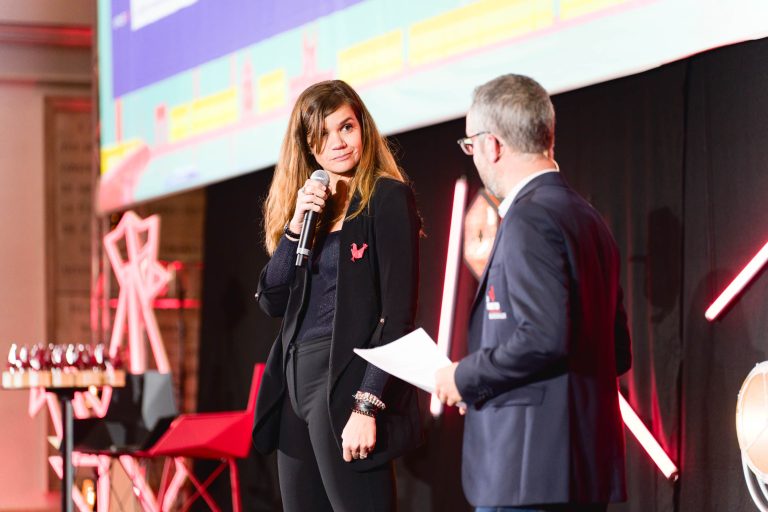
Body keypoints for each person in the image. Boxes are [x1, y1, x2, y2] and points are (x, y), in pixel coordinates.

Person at [435, 74, 632, 512]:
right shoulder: (590, 220)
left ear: (492, 145)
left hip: (527, 475)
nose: (474, 159)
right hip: (581, 469)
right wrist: (490, 385)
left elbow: (543, 336)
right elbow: (616, 353)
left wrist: (464, 377)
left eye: (470, 147)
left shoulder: (529, 220)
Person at [251, 80, 422, 512]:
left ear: (362, 126)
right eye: (322, 135)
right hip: (294, 387)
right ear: (308, 148)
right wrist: (295, 226)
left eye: (346, 127)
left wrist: (367, 404)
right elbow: (272, 299)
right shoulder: (311, 208)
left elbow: (397, 314)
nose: (338, 143)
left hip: (345, 385)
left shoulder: (387, 198)